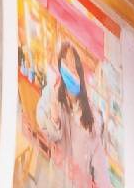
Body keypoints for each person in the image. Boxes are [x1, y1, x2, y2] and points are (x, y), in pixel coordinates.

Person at [34, 41, 109, 188]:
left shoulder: (91, 113)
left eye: (74, 66)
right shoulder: (51, 94)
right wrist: (54, 115)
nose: (71, 70)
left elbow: (99, 162)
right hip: (57, 179)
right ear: (61, 69)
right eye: (67, 65)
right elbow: (47, 132)